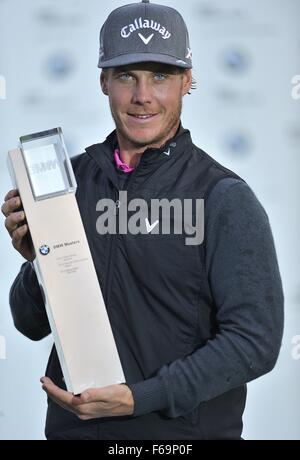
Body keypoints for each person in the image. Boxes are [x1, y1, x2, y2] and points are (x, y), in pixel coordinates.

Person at [2, 0, 284, 440]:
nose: (142, 96)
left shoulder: (223, 197)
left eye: (160, 76)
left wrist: (141, 397)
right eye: (126, 76)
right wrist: (38, 261)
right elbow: (29, 322)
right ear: (103, 82)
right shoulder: (69, 184)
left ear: (187, 82)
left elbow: (255, 343)